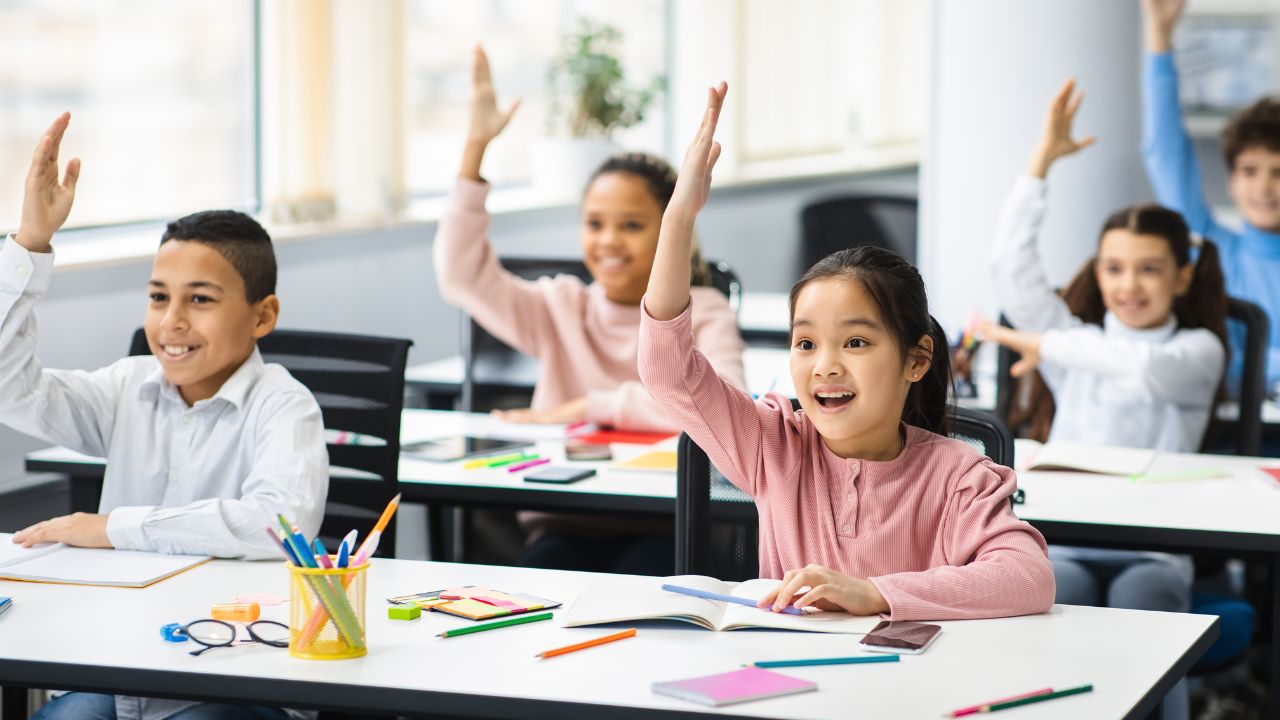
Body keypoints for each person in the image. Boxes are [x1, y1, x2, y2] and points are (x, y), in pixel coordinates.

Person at [638, 82, 1054, 620]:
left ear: (916, 359)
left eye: (855, 342)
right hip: (788, 686)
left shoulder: (959, 476)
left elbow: (1027, 579)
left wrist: (876, 594)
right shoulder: (772, 447)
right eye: (805, 343)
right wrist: (678, 219)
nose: (825, 365)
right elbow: (668, 372)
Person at [4, 114, 327, 720]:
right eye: (159, 297)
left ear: (262, 316)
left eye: (199, 299)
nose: (171, 321)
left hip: (235, 680)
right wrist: (30, 245)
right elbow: (8, 386)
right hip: (123, 668)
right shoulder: (127, 388)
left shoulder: (285, 406)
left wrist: (116, 527)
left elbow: (277, 525)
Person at [432, 47, 745, 574]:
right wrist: (475, 148)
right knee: (544, 582)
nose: (608, 242)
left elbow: (720, 414)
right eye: (594, 223)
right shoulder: (560, 306)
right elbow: (462, 276)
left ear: (672, 227)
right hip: (566, 520)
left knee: (642, 588)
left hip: (666, 524)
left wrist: (584, 407)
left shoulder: (706, 311)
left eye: (631, 224)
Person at [1141, 0, 1280, 393]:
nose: (1264, 188)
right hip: (1224, 439)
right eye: (1250, 172)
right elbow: (1164, 153)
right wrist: (1159, 37)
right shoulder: (1212, 248)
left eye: (1278, 173)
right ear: (1232, 181)